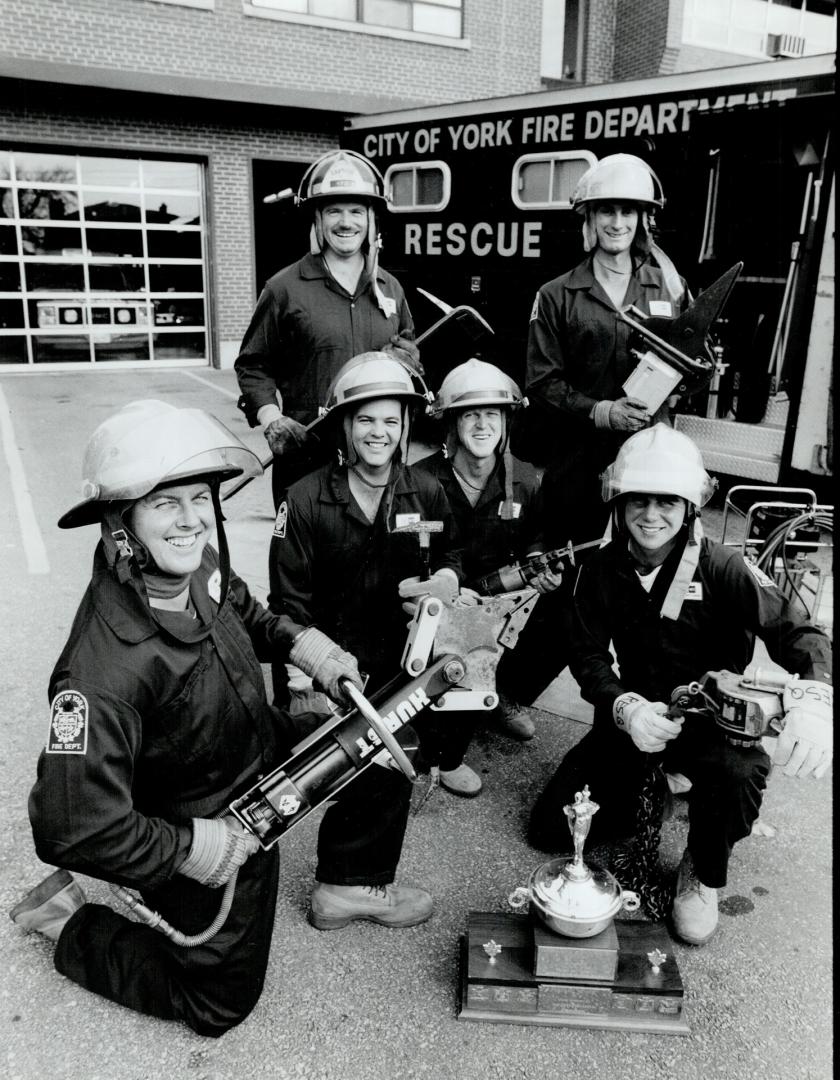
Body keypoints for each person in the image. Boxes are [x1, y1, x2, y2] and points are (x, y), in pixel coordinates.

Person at [9, 400, 364, 1037]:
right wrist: (197, 849)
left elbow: (244, 609)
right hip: (195, 830)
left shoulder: (196, 562)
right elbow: (72, 826)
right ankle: (68, 922)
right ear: (121, 524)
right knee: (220, 1007)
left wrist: (307, 646)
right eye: (164, 503)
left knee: (365, 740)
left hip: (248, 762)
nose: (192, 520)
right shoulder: (98, 674)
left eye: (199, 497)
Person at [528, 425, 833, 946]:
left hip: (712, 726)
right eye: (637, 501)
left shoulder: (723, 566)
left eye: (667, 501)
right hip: (638, 720)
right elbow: (587, 655)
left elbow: (800, 633)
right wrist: (622, 707)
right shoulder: (599, 569)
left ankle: (702, 867)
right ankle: (664, 785)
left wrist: (814, 698)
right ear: (617, 504)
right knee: (550, 831)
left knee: (740, 772)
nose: (651, 516)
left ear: (691, 505)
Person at [268, 352, 467, 931]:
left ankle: (352, 877)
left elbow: (452, 552)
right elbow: (286, 609)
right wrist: (308, 683)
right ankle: (347, 886)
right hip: (329, 664)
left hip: (403, 659)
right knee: (376, 754)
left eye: (390, 421)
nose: (378, 433)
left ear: (406, 427)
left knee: (400, 756)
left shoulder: (427, 492)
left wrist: (447, 581)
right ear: (343, 427)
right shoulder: (304, 499)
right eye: (365, 421)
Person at [521, 153, 691, 549]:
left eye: (628, 211)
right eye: (607, 212)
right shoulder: (556, 295)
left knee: (643, 564)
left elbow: (695, 362)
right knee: (576, 561)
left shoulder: (670, 286)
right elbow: (541, 381)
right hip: (578, 463)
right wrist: (601, 412)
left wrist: (690, 378)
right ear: (590, 219)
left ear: (643, 219)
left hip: (650, 461)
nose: (618, 223)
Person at [234, 149, 419, 508]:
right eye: (334, 210)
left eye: (356, 211)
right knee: (303, 562)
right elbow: (253, 364)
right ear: (317, 219)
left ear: (371, 220)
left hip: (376, 460)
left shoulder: (390, 288)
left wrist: (408, 365)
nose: (345, 222)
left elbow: (411, 360)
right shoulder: (284, 288)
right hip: (306, 460)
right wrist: (272, 418)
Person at [413, 358, 564, 795]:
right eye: (470, 415)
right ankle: (443, 754)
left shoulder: (525, 480)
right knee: (459, 640)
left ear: (506, 422)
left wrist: (538, 565)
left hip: (502, 596)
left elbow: (535, 533)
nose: (482, 425)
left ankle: (501, 696)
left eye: (491, 415)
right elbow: (409, 549)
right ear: (452, 423)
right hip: (442, 600)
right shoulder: (421, 480)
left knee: (565, 615)